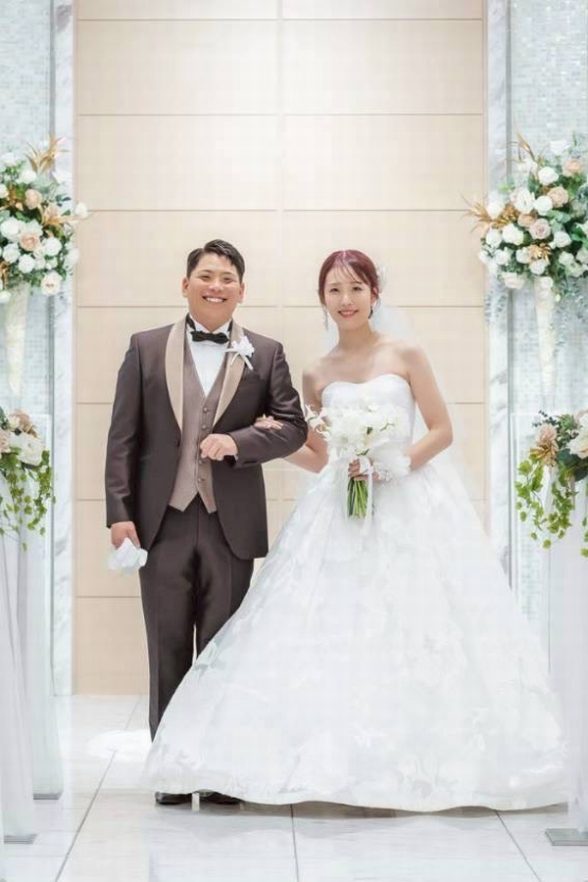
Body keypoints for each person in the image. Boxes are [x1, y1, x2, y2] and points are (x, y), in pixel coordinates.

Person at [143, 249, 567, 811]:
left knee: (418, 624)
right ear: (322, 299)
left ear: (374, 295)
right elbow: (320, 455)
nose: (346, 300)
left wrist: (394, 463)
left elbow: (441, 430)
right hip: (341, 506)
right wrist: (278, 442)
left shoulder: (405, 353)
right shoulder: (316, 373)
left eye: (356, 289)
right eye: (335, 291)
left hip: (409, 501)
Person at [105, 239, 307, 805]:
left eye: (227, 279)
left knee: (224, 650)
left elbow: (293, 427)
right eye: (206, 276)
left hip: (230, 524)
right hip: (161, 522)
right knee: (166, 648)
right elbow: (122, 438)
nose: (216, 286)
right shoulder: (144, 348)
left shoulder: (266, 353)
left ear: (242, 291)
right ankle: (171, 772)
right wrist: (119, 513)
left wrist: (239, 442)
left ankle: (218, 771)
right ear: (185, 283)